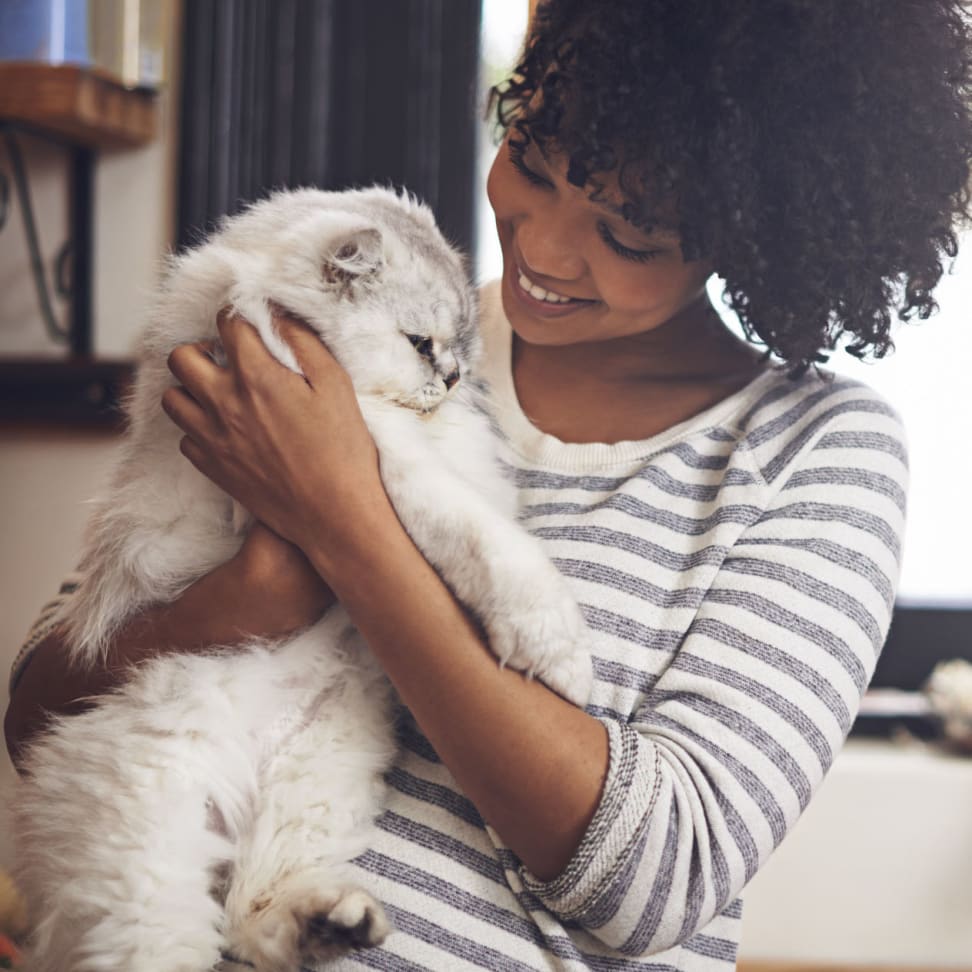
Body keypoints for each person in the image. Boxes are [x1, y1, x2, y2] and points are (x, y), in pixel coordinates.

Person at [6, 0, 972, 968]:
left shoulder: (821, 454)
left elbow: (655, 880)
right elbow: (39, 706)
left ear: (750, 233)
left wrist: (345, 524)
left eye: (628, 235)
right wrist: (240, 602)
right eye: (534, 161)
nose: (543, 252)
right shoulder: (386, 327)